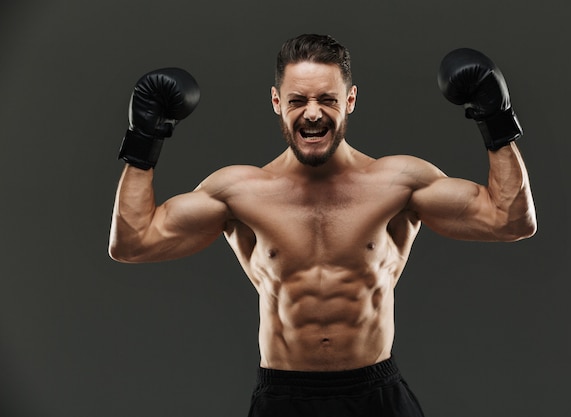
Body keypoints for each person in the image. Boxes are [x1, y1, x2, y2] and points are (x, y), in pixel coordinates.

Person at [108, 34, 536, 417]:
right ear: (277, 103)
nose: (312, 115)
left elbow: (510, 220)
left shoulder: (399, 182)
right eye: (297, 101)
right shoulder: (237, 191)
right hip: (284, 398)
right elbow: (133, 242)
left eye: (327, 100)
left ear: (349, 100)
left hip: (377, 396)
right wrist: (144, 139)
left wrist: (496, 119)